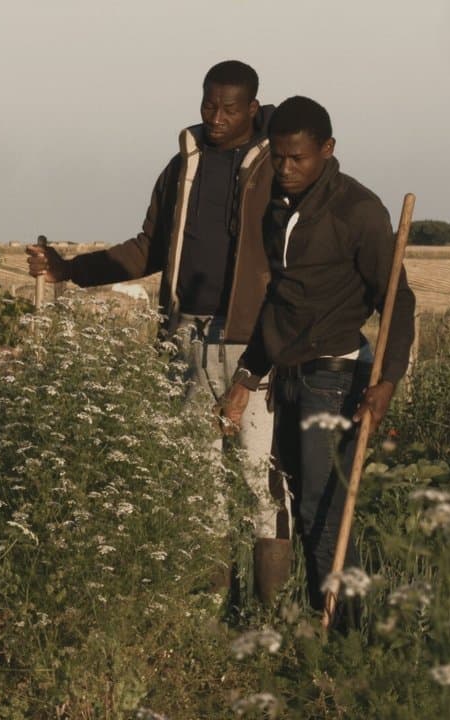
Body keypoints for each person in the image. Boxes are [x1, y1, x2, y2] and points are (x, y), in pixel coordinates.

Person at [26, 61, 289, 602]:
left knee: (261, 483)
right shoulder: (181, 167)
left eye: (230, 108)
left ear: (253, 110)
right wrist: (71, 269)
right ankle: (209, 613)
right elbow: (148, 247)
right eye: (208, 105)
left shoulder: (274, 169)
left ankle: (273, 625)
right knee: (198, 485)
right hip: (183, 339)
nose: (215, 118)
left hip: (251, 344)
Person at [220, 95, 416, 611]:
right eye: (278, 157)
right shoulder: (278, 209)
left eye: (297, 158)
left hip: (334, 378)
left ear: (327, 149)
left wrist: (387, 383)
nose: (284, 169)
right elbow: (280, 303)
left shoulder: (358, 210)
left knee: (324, 509)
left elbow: (398, 299)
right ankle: (320, 622)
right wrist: (246, 377)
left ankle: (345, 638)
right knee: (305, 511)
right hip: (288, 377)